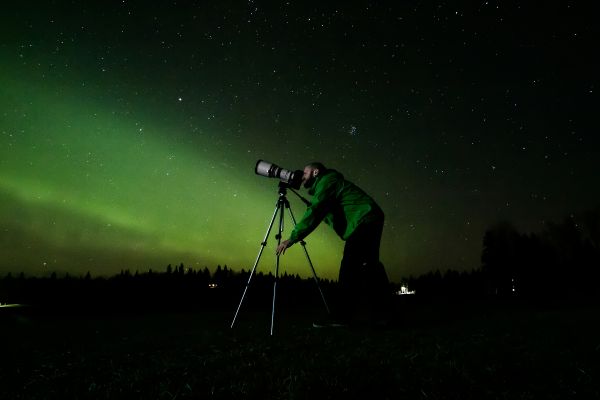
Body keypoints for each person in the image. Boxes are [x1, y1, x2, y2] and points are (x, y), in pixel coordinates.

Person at [276, 162, 390, 326]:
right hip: (369, 217)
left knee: (350, 267)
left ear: (316, 172)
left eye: (305, 172)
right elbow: (326, 213)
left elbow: (315, 212)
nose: (302, 176)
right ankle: (385, 316)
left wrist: (293, 238)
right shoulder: (326, 185)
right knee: (370, 266)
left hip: (364, 219)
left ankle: (342, 316)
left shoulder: (327, 181)